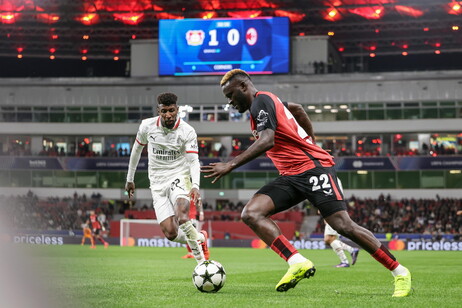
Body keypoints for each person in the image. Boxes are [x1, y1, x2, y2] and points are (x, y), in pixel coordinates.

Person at [201, 69, 411, 296]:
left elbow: (267, 140)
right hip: (291, 175)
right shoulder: (270, 104)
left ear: (243, 87)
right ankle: (297, 261)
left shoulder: (261, 100)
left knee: (343, 226)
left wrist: (229, 165)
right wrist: (311, 141)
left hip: (312, 169)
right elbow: (298, 109)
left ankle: (400, 272)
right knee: (251, 213)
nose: (230, 102)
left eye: (230, 95)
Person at [125, 92, 209, 264]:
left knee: (183, 216)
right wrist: (130, 178)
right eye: (164, 111)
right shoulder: (147, 126)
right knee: (170, 233)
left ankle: (202, 263)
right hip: (156, 183)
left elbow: (194, 161)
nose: (168, 115)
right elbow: (136, 151)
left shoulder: (187, 131)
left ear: (177, 109)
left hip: (179, 177)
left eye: (171, 110)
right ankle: (201, 237)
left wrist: (195, 186)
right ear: (159, 111)